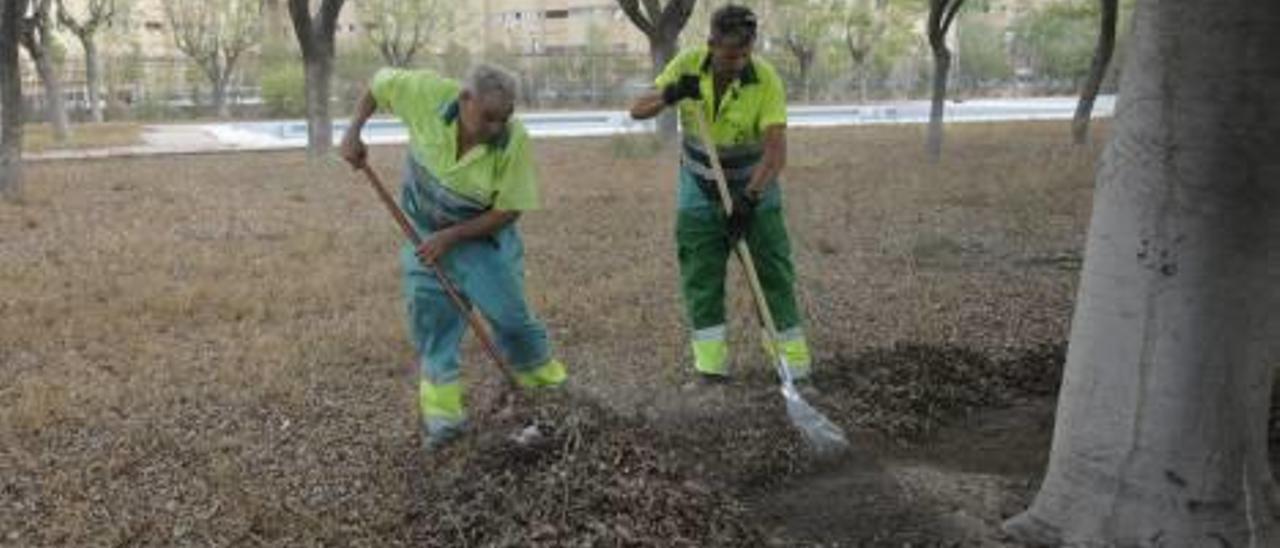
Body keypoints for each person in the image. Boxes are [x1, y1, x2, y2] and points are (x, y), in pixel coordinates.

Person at [341, 64, 568, 450]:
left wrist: (453, 236)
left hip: (482, 237)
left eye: (505, 117)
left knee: (512, 321)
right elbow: (378, 84)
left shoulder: (513, 140)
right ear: (464, 99)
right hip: (424, 232)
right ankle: (444, 423)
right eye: (488, 117)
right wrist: (353, 131)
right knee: (433, 324)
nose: (497, 127)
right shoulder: (425, 94)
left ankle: (552, 399)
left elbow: (509, 210)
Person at [628, 5, 813, 386]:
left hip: (754, 187)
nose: (738, 62)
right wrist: (673, 92)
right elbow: (636, 110)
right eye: (730, 55)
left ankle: (793, 369)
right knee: (701, 278)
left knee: (772, 274)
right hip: (698, 189)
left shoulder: (766, 79)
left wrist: (749, 199)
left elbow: (776, 153)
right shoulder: (688, 64)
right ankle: (710, 370)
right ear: (711, 44)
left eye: (745, 53)